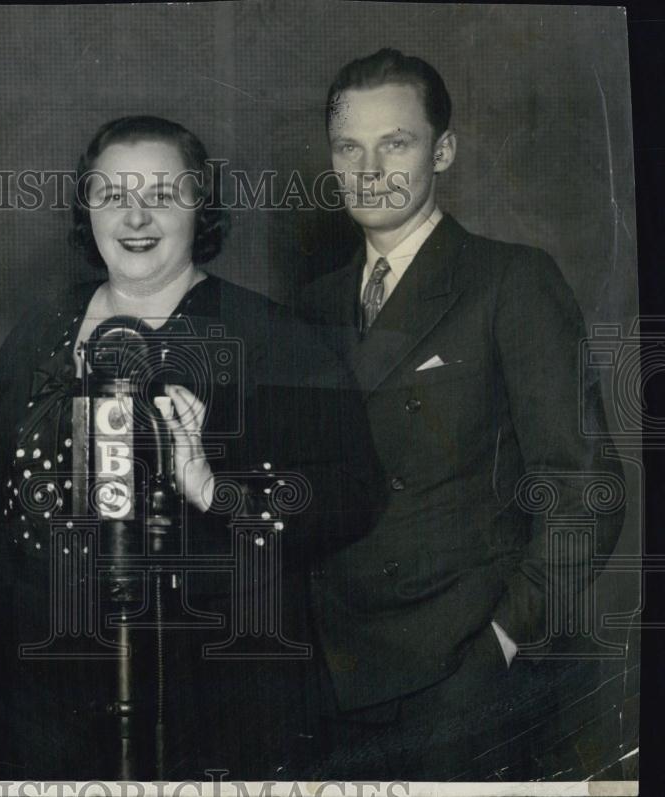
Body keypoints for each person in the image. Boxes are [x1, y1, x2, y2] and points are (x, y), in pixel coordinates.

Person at [0, 115, 378, 779]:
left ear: (201, 207)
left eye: (163, 194)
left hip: (214, 702)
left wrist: (220, 491)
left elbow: (353, 494)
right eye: (113, 195)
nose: (136, 216)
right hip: (48, 700)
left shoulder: (268, 339)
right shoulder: (37, 334)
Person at [299, 49, 626, 779]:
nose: (370, 168)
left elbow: (586, 491)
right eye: (349, 146)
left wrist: (503, 641)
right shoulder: (312, 305)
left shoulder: (509, 280)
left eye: (397, 142)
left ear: (442, 150)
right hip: (331, 676)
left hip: (458, 679)